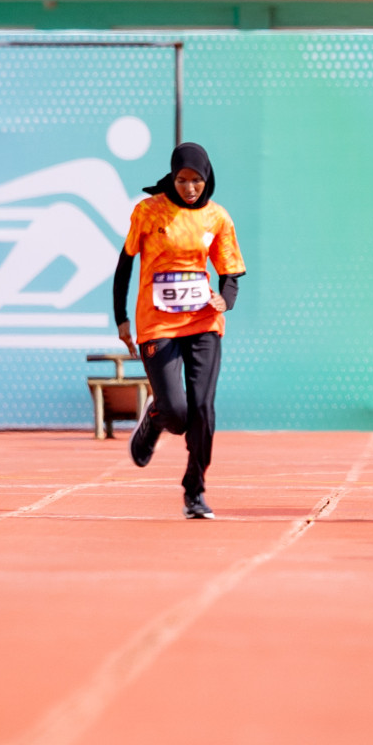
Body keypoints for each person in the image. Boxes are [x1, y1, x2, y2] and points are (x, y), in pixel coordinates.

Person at [116, 142, 246, 520]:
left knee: (203, 409)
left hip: (203, 320)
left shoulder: (218, 217)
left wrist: (226, 299)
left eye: (197, 181)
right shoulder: (148, 211)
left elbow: (231, 271)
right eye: (182, 180)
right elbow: (124, 266)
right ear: (172, 178)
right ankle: (155, 418)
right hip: (157, 322)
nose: (190, 188)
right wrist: (120, 318)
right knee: (177, 413)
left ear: (207, 179)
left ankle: (195, 490)